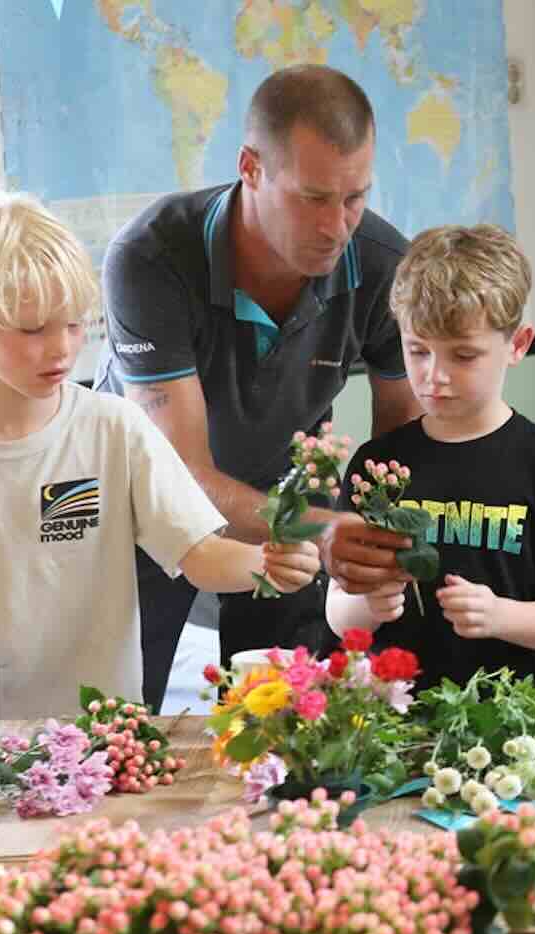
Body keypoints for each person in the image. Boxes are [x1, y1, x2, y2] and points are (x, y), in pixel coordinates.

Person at [0, 189, 320, 720]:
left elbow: (198, 554)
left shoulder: (115, 427)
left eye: (73, 324)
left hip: (101, 732)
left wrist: (264, 563)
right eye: (32, 329)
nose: (62, 348)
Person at [94, 65, 423, 710]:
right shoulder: (149, 258)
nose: (338, 225)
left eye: (355, 197)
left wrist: (381, 543)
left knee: (290, 726)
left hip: (288, 500)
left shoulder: (384, 264)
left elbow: (403, 452)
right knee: (118, 724)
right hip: (142, 505)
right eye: (313, 197)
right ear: (251, 167)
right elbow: (178, 471)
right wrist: (325, 530)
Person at [325, 224, 535, 687]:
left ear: (517, 344)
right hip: (389, 716)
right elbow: (338, 608)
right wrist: (366, 607)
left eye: (464, 356)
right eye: (417, 351)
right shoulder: (376, 466)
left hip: (510, 724)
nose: (435, 376)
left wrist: (501, 616)